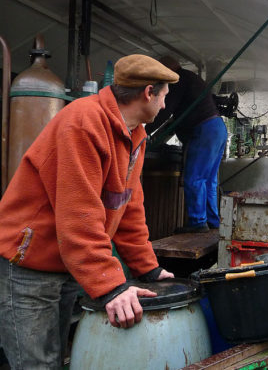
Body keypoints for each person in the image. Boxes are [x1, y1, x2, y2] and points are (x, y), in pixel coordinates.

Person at [0, 54, 179, 369]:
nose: (165, 106)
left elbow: (127, 207)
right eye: (164, 97)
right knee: (36, 364)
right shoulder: (83, 122)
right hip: (29, 263)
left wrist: (147, 269)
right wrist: (112, 287)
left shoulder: (134, 133)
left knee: (59, 357)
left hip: (68, 263)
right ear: (149, 92)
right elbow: (77, 217)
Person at [145, 56, 227, 233]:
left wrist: (144, 129)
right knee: (209, 180)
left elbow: (165, 111)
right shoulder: (191, 78)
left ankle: (198, 223)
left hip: (204, 130)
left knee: (195, 178)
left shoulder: (177, 80)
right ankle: (213, 222)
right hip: (217, 128)